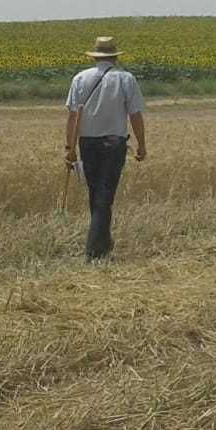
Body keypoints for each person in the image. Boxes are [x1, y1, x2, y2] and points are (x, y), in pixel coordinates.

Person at [64, 36, 147, 261]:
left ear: (95, 56)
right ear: (115, 57)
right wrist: (142, 144)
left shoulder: (80, 78)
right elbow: (135, 114)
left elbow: (73, 117)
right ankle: (95, 250)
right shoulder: (126, 79)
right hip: (114, 143)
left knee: (96, 194)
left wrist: (69, 148)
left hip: (87, 143)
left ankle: (103, 241)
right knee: (105, 195)